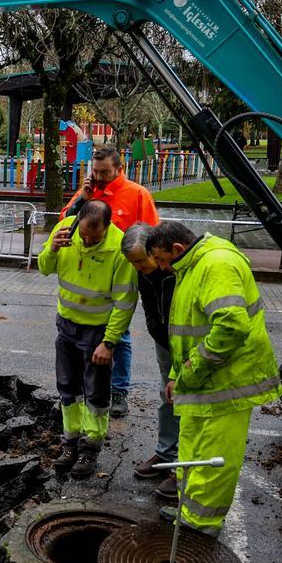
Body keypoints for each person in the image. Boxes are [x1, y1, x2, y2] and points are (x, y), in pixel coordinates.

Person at [145, 221, 282, 535]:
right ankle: (189, 513)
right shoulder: (194, 265)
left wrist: (189, 373)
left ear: (178, 249)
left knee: (212, 456)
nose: (164, 269)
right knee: (192, 449)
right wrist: (177, 376)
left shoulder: (216, 265)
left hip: (227, 382)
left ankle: (202, 524)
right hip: (204, 380)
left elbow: (230, 327)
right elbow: (191, 331)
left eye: (164, 261)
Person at [38, 200, 137, 478]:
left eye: (95, 236)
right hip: (67, 324)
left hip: (97, 330)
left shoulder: (119, 249)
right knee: (67, 387)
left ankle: (90, 447)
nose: (88, 240)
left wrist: (109, 342)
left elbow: (125, 302)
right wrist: (53, 248)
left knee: (95, 391)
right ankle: (70, 443)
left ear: (108, 226)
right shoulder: (65, 230)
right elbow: (44, 268)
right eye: (84, 235)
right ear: (78, 222)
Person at [66, 147, 160, 419]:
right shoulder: (89, 192)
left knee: (120, 334)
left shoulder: (137, 194)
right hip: (92, 277)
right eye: (95, 172)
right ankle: (92, 387)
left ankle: (119, 390)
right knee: (88, 331)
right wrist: (81, 201)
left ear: (119, 169)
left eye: (105, 172)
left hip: (124, 273)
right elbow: (66, 223)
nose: (99, 177)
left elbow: (151, 232)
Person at [120, 223, 179, 499]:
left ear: (155, 252)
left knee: (187, 400)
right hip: (165, 343)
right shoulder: (146, 274)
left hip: (186, 343)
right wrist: (159, 335)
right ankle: (166, 454)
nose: (138, 269)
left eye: (141, 262)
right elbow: (150, 309)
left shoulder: (175, 272)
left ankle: (183, 466)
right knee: (167, 395)